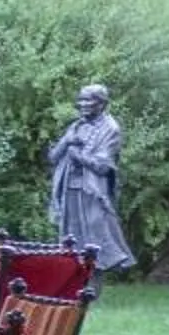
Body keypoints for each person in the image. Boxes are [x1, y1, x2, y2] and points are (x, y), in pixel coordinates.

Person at [43, 83, 134, 272]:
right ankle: (73, 277)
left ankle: (107, 265)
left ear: (101, 103)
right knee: (71, 238)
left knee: (98, 232)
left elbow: (102, 166)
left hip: (93, 190)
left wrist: (78, 156)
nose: (82, 104)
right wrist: (66, 141)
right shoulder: (77, 126)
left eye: (88, 100)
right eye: (81, 99)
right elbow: (53, 157)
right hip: (69, 188)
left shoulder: (111, 129)